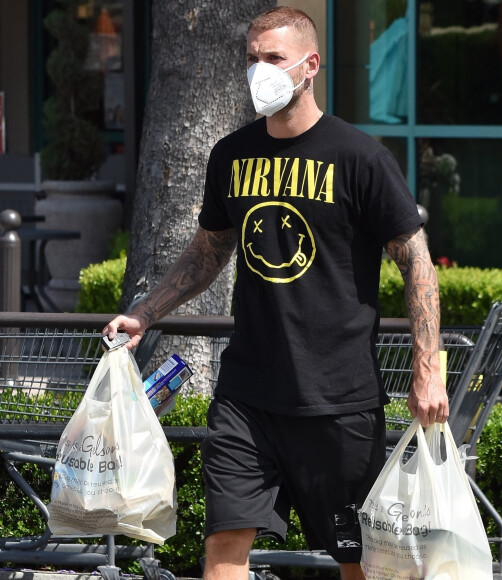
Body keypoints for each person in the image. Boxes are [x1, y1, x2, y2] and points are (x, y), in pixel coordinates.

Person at [103, 6, 448, 580]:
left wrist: (427, 368)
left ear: (309, 65)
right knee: (222, 551)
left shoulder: (360, 157)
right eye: (251, 58)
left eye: (273, 58)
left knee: (356, 562)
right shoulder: (231, 155)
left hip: (337, 401)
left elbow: (417, 264)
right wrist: (146, 314)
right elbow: (207, 252)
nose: (259, 70)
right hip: (247, 396)